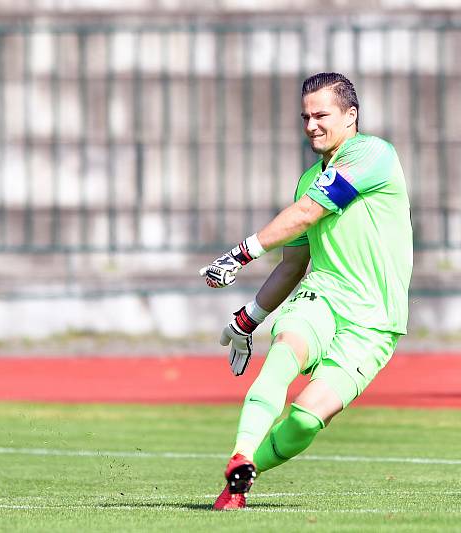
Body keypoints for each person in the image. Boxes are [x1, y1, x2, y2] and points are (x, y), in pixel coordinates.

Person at [198, 72, 413, 510]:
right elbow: (293, 265)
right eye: (305, 116)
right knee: (284, 352)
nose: (311, 125)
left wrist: (240, 254)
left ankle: (244, 474)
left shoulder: (372, 154)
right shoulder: (308, 179)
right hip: (323, 295)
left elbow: (306, 213)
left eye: (321, 115)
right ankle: (240, 452)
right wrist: (249, 319)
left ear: (351, 115)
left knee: (306, 419)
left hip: (374, 321)